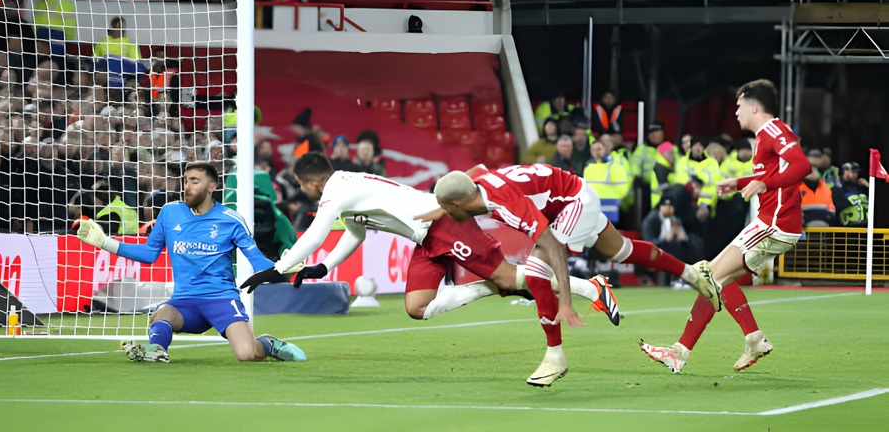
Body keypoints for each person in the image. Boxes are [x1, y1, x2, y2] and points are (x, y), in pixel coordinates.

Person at [240, 153, 621, 339]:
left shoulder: (338, 190)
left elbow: (316, 234)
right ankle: (494, 285)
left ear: (309, 183)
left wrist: (279, 267)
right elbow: (354, 234)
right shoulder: (347, 189)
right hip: (424, 239)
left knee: (510, 276)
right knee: (416, 308)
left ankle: (591, 288)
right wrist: (319, 268)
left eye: (301, 186)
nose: (303, 192)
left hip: (443, 224)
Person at [432, 162, 722, 387]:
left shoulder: (506, 204)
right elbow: (475, 171)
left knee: (535, 272)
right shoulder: (478, 183)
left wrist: (566, 302)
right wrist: (437, 206)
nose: (444, 216)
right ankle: (692, 272)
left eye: (446, 210)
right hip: (570, 193)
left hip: (573, 202)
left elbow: (553, 246)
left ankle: (555, 357)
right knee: (622, 250)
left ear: (457, 204)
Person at [640, 79, 810, 374]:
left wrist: (762, 182)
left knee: (709, 277)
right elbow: (772, 174)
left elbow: (801, 166)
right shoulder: (764, 136)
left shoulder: (773, 131)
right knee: (717, 278)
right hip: (772, 223)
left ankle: (679, 352)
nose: (735, 113)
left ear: (755, 105)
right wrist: (740, 183)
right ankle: (754, 338)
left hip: (774, 224)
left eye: (739, 105)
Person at [76, 161, 307, 364]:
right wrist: (105, 242)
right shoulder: (169, 213)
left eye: (195, 181)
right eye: (185, 180)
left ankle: (267, 344)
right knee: (162, 313)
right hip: (185, 302)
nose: (187, 187)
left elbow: (258, 263)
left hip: (221, 299)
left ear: (211, 187)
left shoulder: (231, 220)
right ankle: (156, 350)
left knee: (247, 355)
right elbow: (149, 253)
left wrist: (286, 265)